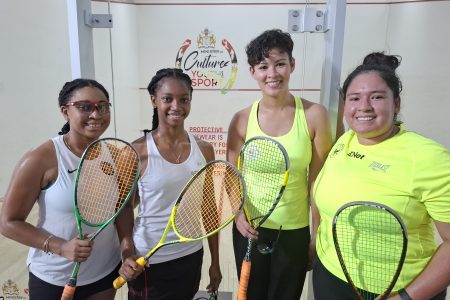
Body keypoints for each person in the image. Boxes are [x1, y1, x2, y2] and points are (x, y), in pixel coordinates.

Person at [312, 52, 450, 300]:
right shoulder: (346, 140)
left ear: (396, 104)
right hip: (331, 276)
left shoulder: (429, 158)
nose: (364, 106)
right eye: (355, 98)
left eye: (376, 97)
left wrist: (405, 297)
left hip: (399, 290)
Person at [227, 29, 333, 299]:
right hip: (249, 229)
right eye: (263, 66)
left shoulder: (314, 115)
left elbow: (318, 183)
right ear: (252, 71)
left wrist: (316, 234)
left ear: (292, 65)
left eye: (280, 64)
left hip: (294, 232)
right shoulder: (240, 120)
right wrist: (238, 214)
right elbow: (231, 179)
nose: (272, 74)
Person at [0, 79, 120, 299]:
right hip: (53, 278)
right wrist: (60, 246)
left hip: (105, 272)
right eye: (84, 107)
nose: (96, 114)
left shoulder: (115, 155)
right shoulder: (40, 159)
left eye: (102, 107)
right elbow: (7, 223)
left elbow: (118, 211)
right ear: (65, 111)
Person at [116, 68, 222, 299]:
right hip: (148, 260)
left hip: (190, 254)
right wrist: (126, 254)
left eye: (184, 99)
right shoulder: (135, 151)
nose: (176, 106)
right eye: (167, 99)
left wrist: (215, 261)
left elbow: (209, 209)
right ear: (154, 100)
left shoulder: (204, 149)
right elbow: (123, 207)